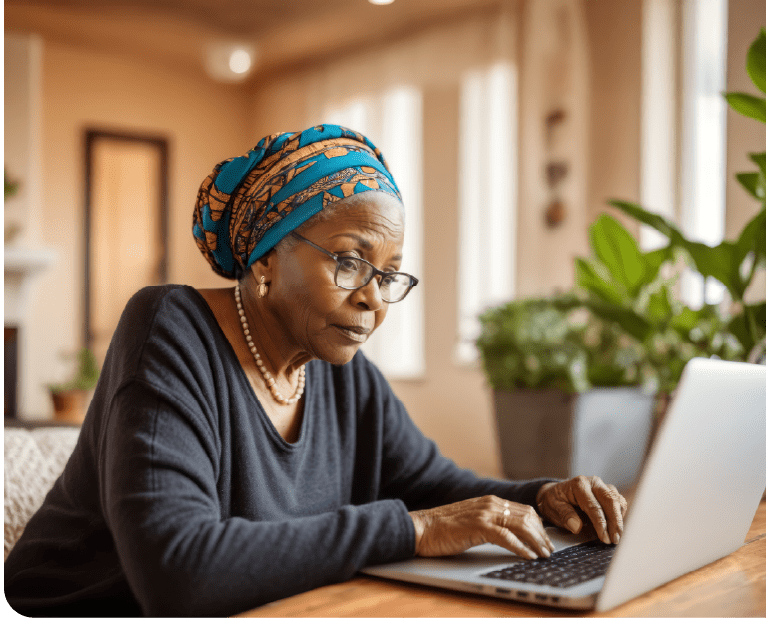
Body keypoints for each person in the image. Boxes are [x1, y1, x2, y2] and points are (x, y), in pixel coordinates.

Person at [4, 125, 627, 617]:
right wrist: (411, 532)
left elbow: (432, 484)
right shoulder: (169, 329)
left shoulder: (341, 370)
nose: (375, 300)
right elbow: (176, 573)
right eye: (351, 262)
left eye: (387, 275)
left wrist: (541, 496)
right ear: (268, 257)